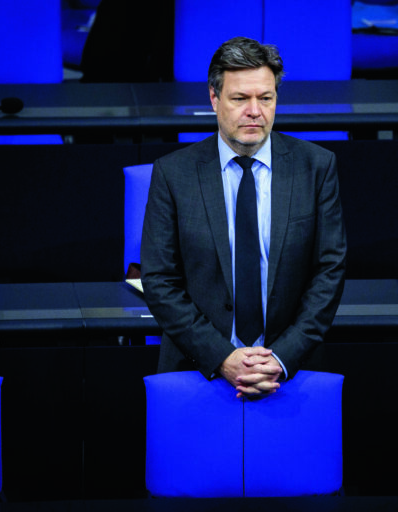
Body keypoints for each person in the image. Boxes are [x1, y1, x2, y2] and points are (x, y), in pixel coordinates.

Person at [141, 37, 347, 399]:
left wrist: (281, 358)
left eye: (265, 98)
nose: (255, 111)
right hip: (197, 368)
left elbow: (329, 270)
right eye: (240, 99)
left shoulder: (316, 166)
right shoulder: (173, 174)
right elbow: (159, 280)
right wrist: (223, 357)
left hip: (289, 373)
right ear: (214, 98)